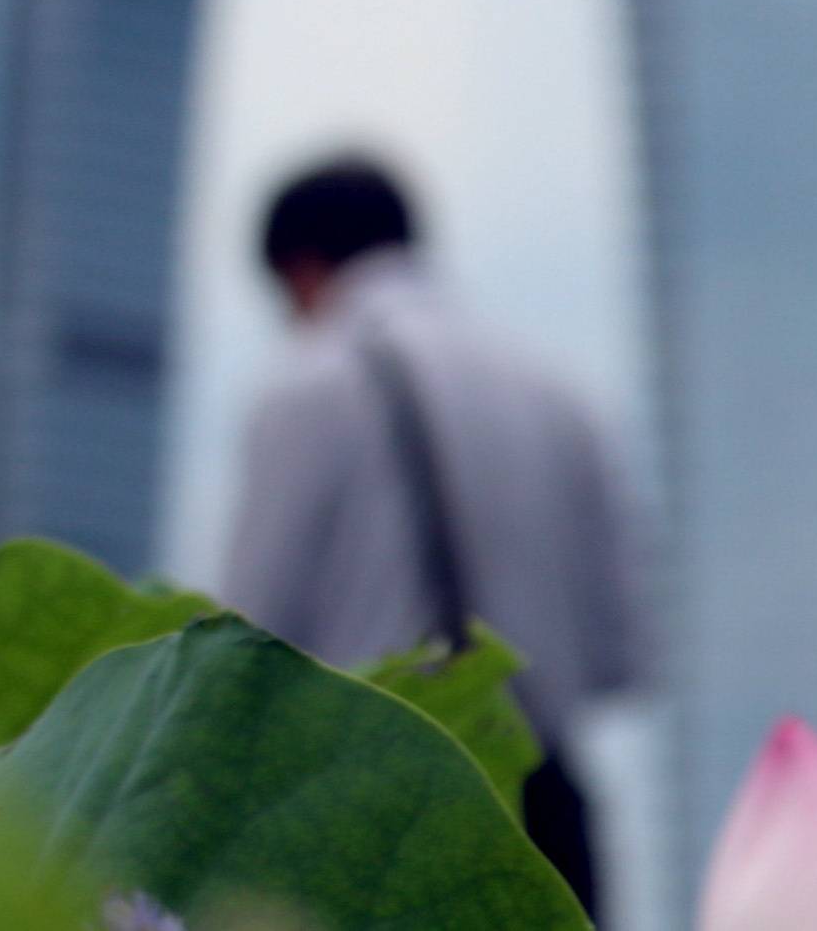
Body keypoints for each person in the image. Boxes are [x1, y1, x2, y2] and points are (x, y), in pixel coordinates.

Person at [222, 154, 644, 915]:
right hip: (544, 809)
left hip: (371, 808)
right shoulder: (559, 394)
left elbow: (244, 645)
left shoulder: (307, 385)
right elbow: (620, 657)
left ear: (300, 270)